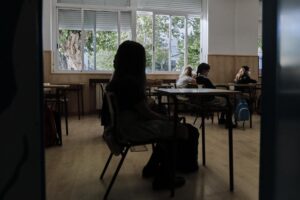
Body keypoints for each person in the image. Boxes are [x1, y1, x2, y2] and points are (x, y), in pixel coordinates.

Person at [101, 40, 189, 190]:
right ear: (136, 61)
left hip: (119, 128)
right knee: (178, 129)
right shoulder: (130, 83)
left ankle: (153, 168)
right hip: (129, 129)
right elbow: (146, 113)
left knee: (169, 127)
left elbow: (135, 107)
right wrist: (167, 119)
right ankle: (165, 178)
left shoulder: (118, 79)